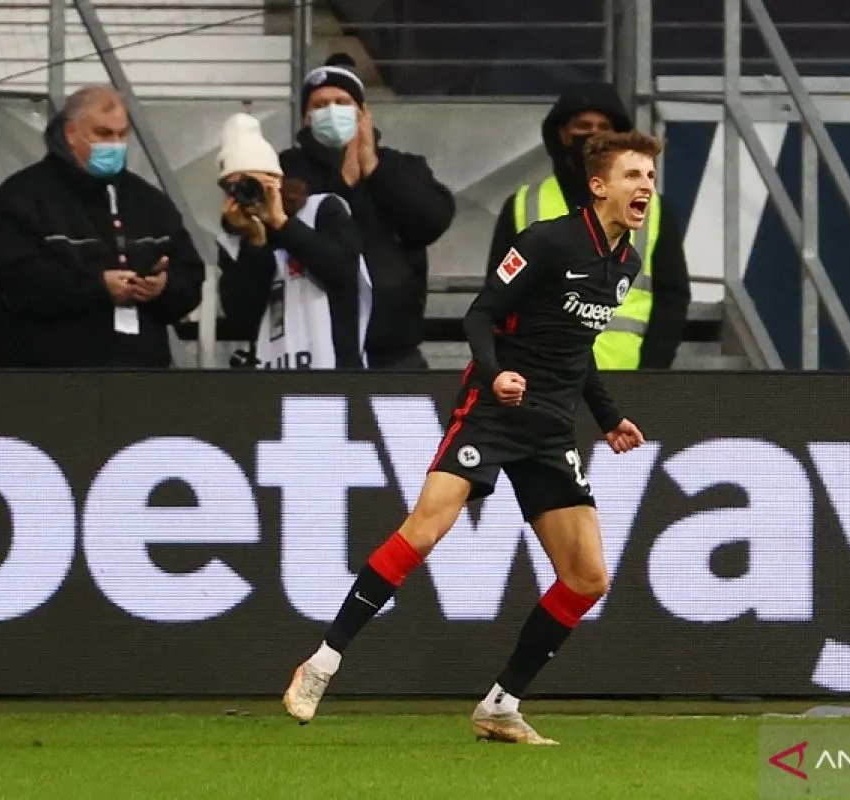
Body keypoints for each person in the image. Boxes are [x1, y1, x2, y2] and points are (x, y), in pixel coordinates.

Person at [282, 130, 662, 744]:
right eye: (632, 175)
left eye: (649, 176)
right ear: (598, 186)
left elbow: (577, 348)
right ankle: (322, 663)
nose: (644, 186)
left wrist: (608, 416)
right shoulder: (546, 242)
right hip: (493, 409)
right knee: (426, 528)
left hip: (550, 428)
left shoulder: (626, 264)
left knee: (588, 578)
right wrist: (495, 374)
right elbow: (479, 314)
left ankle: (500, 706)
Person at [0, 85, 204, 367]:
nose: (115, 144)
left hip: (139, 382)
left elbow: (191, 277)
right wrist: (97, 287)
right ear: (71, 133)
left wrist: (163, 288)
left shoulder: (149, 202)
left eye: (122, 134)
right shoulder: (19, 200)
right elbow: (13, 283)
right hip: (45, 382)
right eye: (103, 133)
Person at [487, 81, 691, 371]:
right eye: (583, 125)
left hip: (626, 379)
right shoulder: (522, 206)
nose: (593, 134)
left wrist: (651, 372)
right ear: (562, 134)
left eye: (603, 127)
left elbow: (671, 298)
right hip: (541, 384)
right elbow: (498, 299)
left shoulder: (652, 209)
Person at [279, 53, 455, 370]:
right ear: (306, 117)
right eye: (319, 105)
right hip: (313, 352)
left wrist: (373, 168)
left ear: (364, 114)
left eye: (342, 102)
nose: (331, 111)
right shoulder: (288, 170)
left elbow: (430, 222)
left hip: (393, 353)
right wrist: (343, 181)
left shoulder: (403, 167)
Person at [214, 113, 369, 370]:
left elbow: (342, 272)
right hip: (273, 378)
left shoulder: (322, 210)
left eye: (255, 183)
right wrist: (256, 241)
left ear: (276, 180)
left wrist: (282, 224)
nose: (249, 195)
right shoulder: (234, 241)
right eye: (236, 187)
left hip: (334, 369)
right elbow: (242, 317)